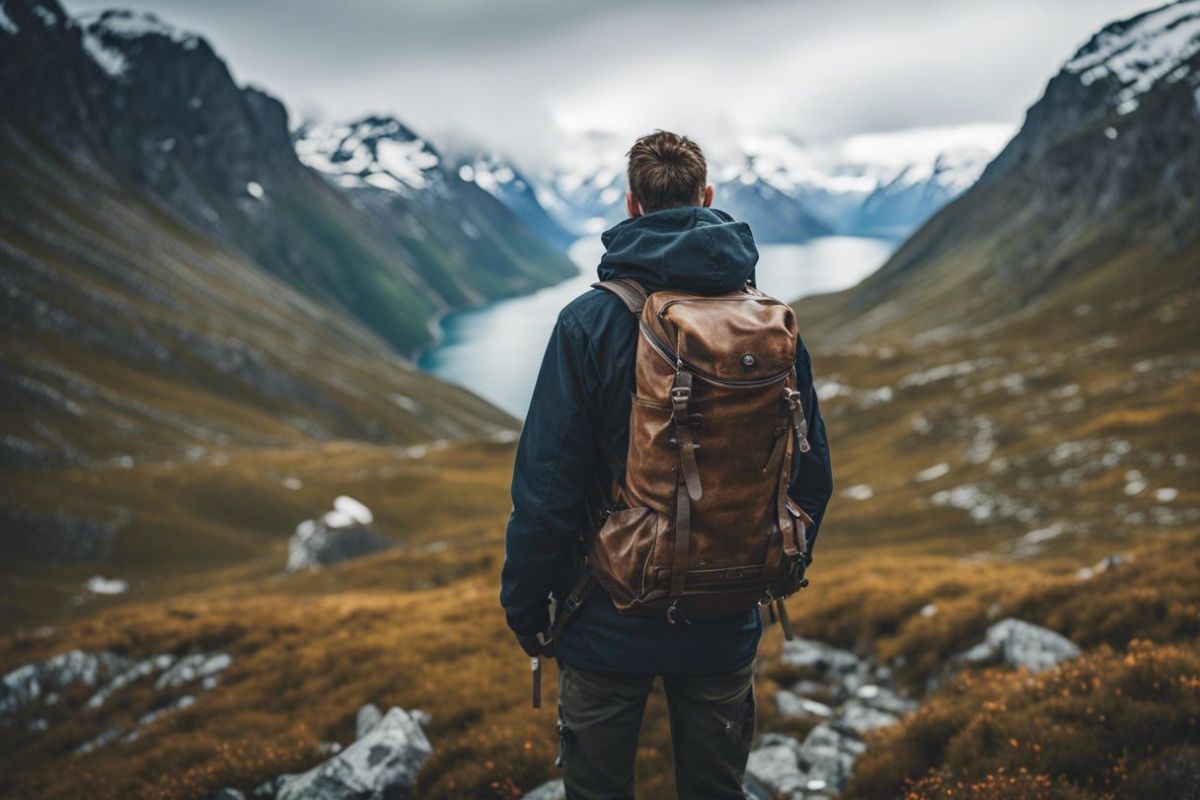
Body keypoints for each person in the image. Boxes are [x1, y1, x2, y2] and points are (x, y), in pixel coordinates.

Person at [500, 130, 834, 800]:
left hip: (604, 617)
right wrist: (762, 564)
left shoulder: (588, 323)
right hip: (726, 614)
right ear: (707, 198)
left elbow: (548, 490)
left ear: (632, 206)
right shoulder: (767, 327)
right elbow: (811, 473)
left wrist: (526, 606)